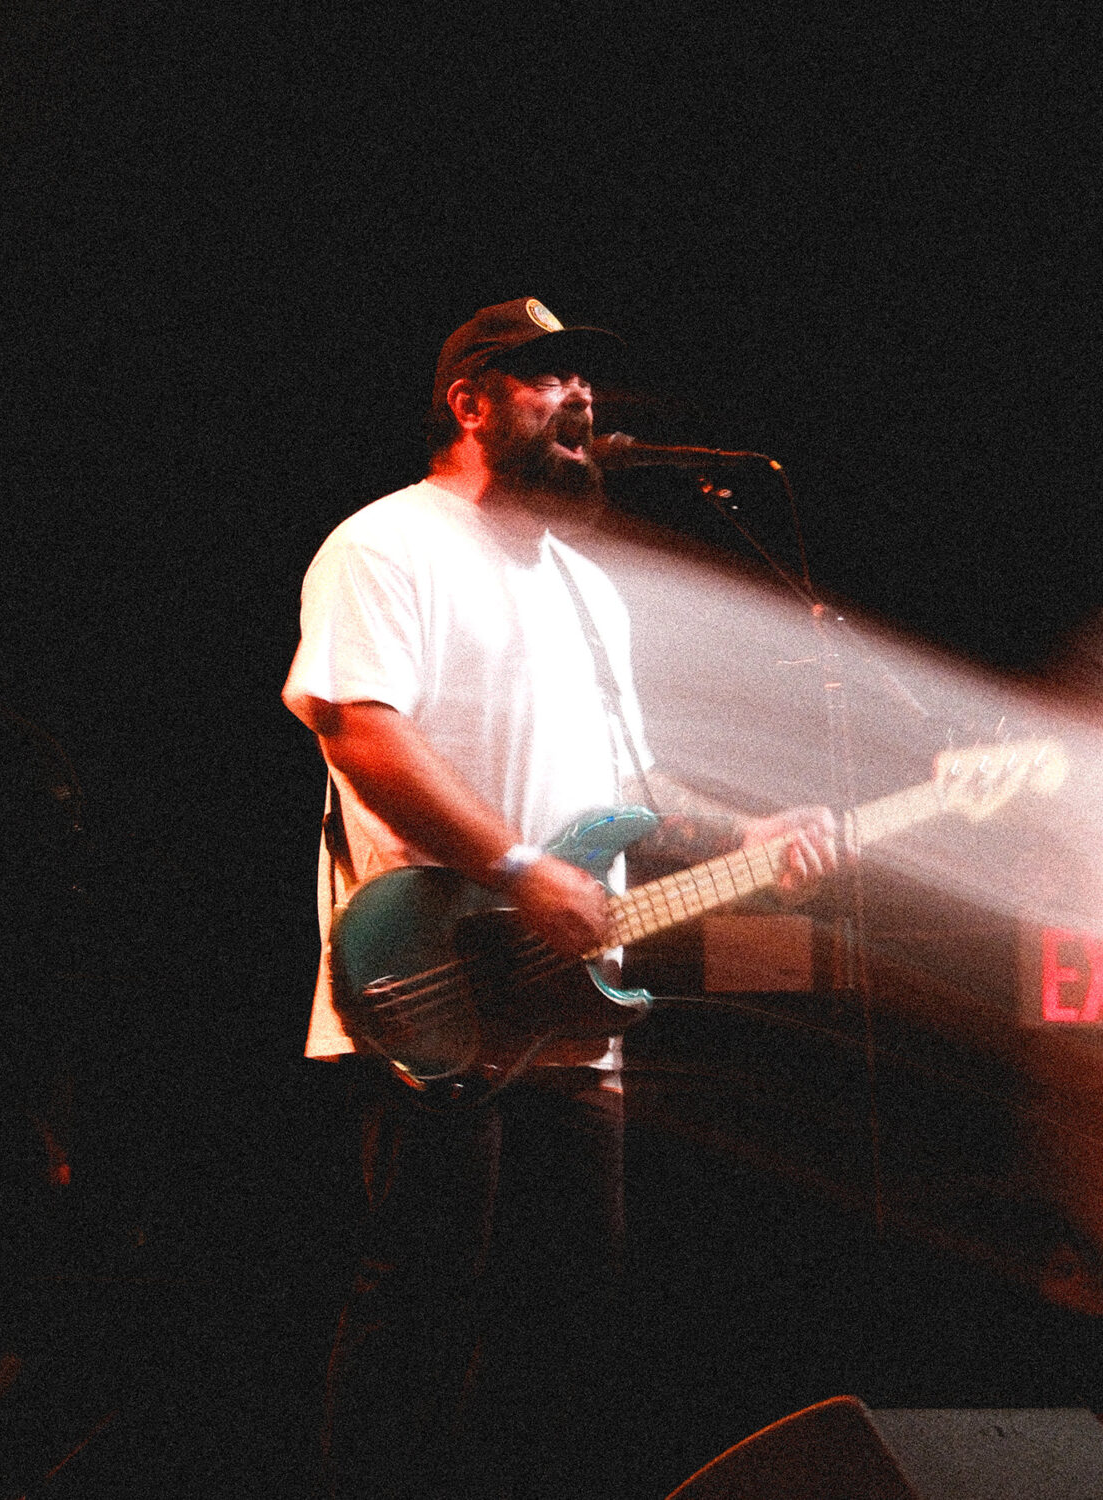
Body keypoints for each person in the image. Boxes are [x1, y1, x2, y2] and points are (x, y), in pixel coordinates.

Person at [282, 296, 837, 1500]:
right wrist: (525, 874)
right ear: (468, 403)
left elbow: (634, 785)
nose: (580, 397)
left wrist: (753, 831)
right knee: (420, 1312)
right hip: (433, 989)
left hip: (571, 1022)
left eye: (585, 378)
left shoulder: (593, 591)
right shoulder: (385, 546)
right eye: (545, 378)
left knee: (565, 1325)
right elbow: (362, 735)